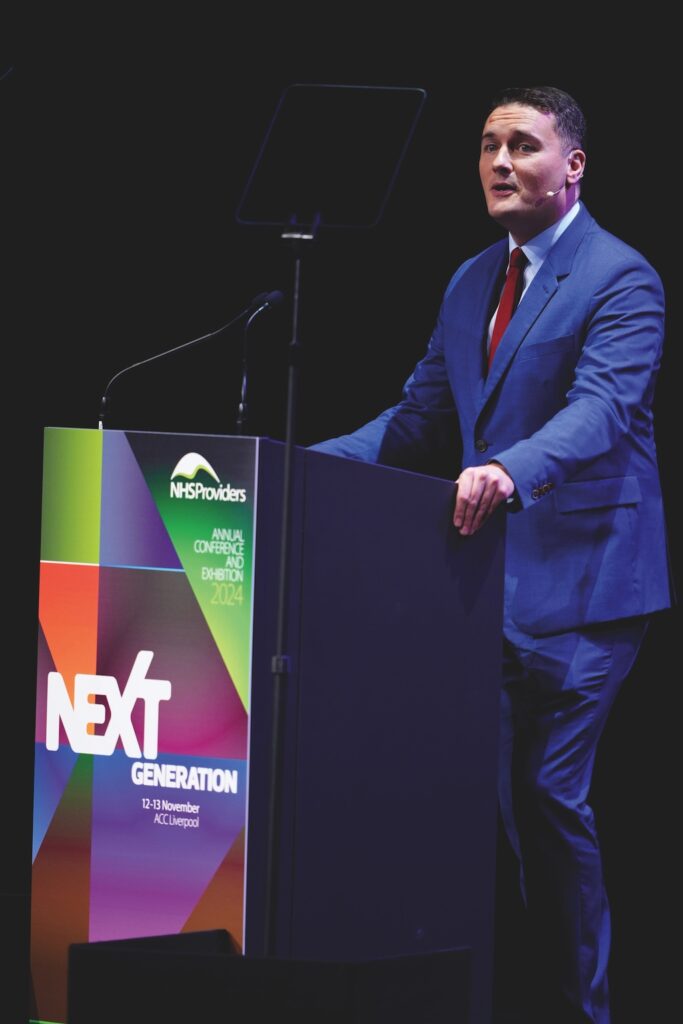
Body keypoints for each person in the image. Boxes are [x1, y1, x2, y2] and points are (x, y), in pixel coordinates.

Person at [310, 86, 672, 1023]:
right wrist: (291, 468)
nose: (499, 162)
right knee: (496, 812)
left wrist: (508, 469)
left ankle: (581, 1010)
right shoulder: (473, 280)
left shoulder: (620, 278)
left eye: (522, 145)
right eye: (486, 146)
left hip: (588, 584)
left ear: (573, 166)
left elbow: (600, 411)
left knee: (547, 802)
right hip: (488, 590)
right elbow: (420, 420)